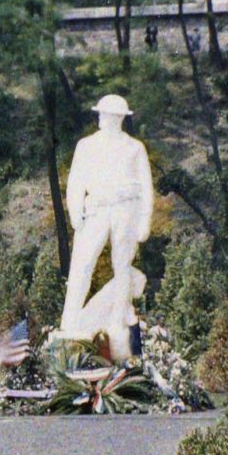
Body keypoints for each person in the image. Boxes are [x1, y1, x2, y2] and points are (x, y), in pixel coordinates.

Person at [56, 94, 154, 357]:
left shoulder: (134, 148)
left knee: (122, 267)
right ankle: (69, 323)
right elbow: (76, 182)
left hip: (126, 209)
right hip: (96, 209)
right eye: (101, 113)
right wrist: (75, 212)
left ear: (118, 118)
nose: (101, 118)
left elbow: (146, 187)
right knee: (82, 264)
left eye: (106, 114)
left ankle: (117, 321)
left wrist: (144, 220)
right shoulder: (87, 146)